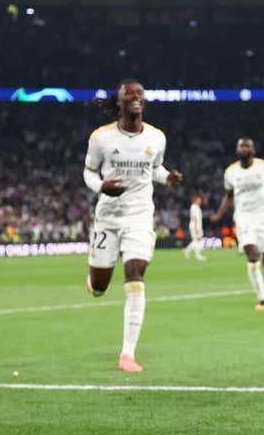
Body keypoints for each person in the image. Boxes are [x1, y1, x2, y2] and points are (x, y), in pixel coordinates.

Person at [83, 78, 183, 373]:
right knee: (100, 287)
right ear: (119, 102)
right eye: (129, 94)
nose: (136, 97)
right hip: (108, 217)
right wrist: (101, 187)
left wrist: (168, 178)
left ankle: (127, 353)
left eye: (140, 93)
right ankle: (93, 281)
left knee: (135, 271)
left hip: (139, 216)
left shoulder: (157, 137)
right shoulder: (101, 138)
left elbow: (155, 169)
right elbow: (88, 171)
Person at [213, 137, 264, 312]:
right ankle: (262, 298)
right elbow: (229, 194)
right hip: (243, 217)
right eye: (241, 146)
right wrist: (220, 213)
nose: (244, 148)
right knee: (252, 254)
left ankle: (260, 262)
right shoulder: (230, 172)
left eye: (247, 146)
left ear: (253, 150)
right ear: (237, 150)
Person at [183, 194, 207, 261]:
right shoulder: (193, 207)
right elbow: (195, 218)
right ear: (195, 200)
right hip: (195, 226)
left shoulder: (197, 207)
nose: (200, 201)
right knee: (197, 240)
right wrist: (196, 228)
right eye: (199, 200)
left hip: (198, 225)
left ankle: (187, 250)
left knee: (195, 240)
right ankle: (198, 255)